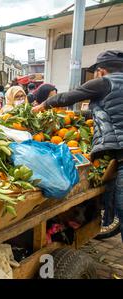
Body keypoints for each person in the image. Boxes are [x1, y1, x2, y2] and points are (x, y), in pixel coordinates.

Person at [32, 50, 123, 240]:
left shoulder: (106, 82)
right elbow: (104, 114)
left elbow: (70, 96)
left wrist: (43, 105)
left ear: (101, 70)